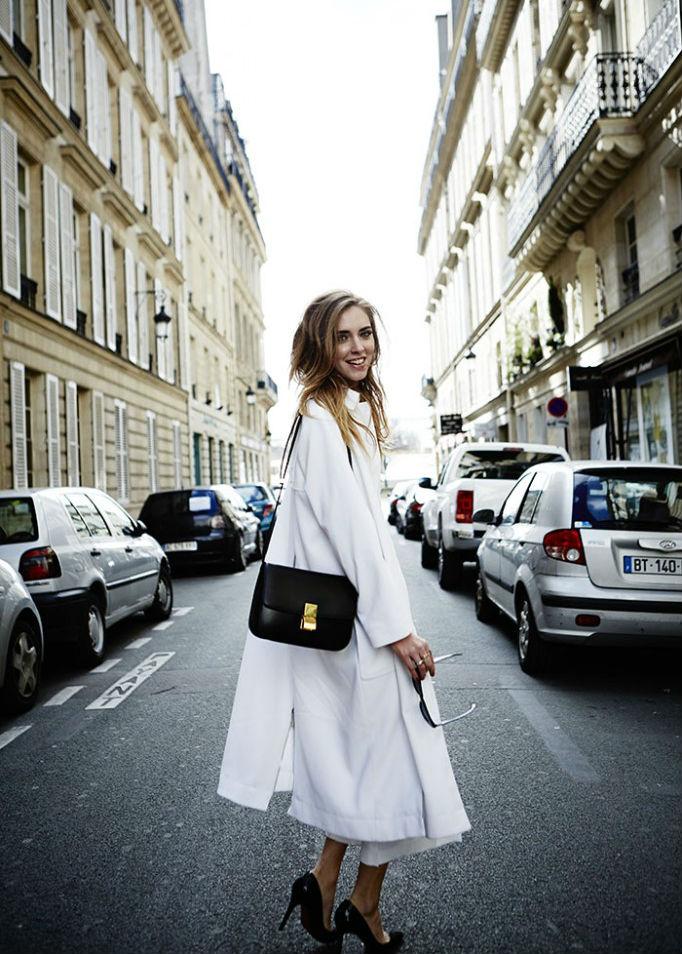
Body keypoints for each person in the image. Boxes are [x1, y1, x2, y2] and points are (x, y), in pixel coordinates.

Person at [217, 290, 471, 951]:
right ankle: (353, 896)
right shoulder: (321, 421)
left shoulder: (343, 413)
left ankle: (336, 886)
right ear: (320, 346)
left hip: (356, 618)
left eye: (365, 334)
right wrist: (398, 632)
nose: (358, 347)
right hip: (354, 625)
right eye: (343, 337)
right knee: (399, 753)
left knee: (379, 755)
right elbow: (354, 536)